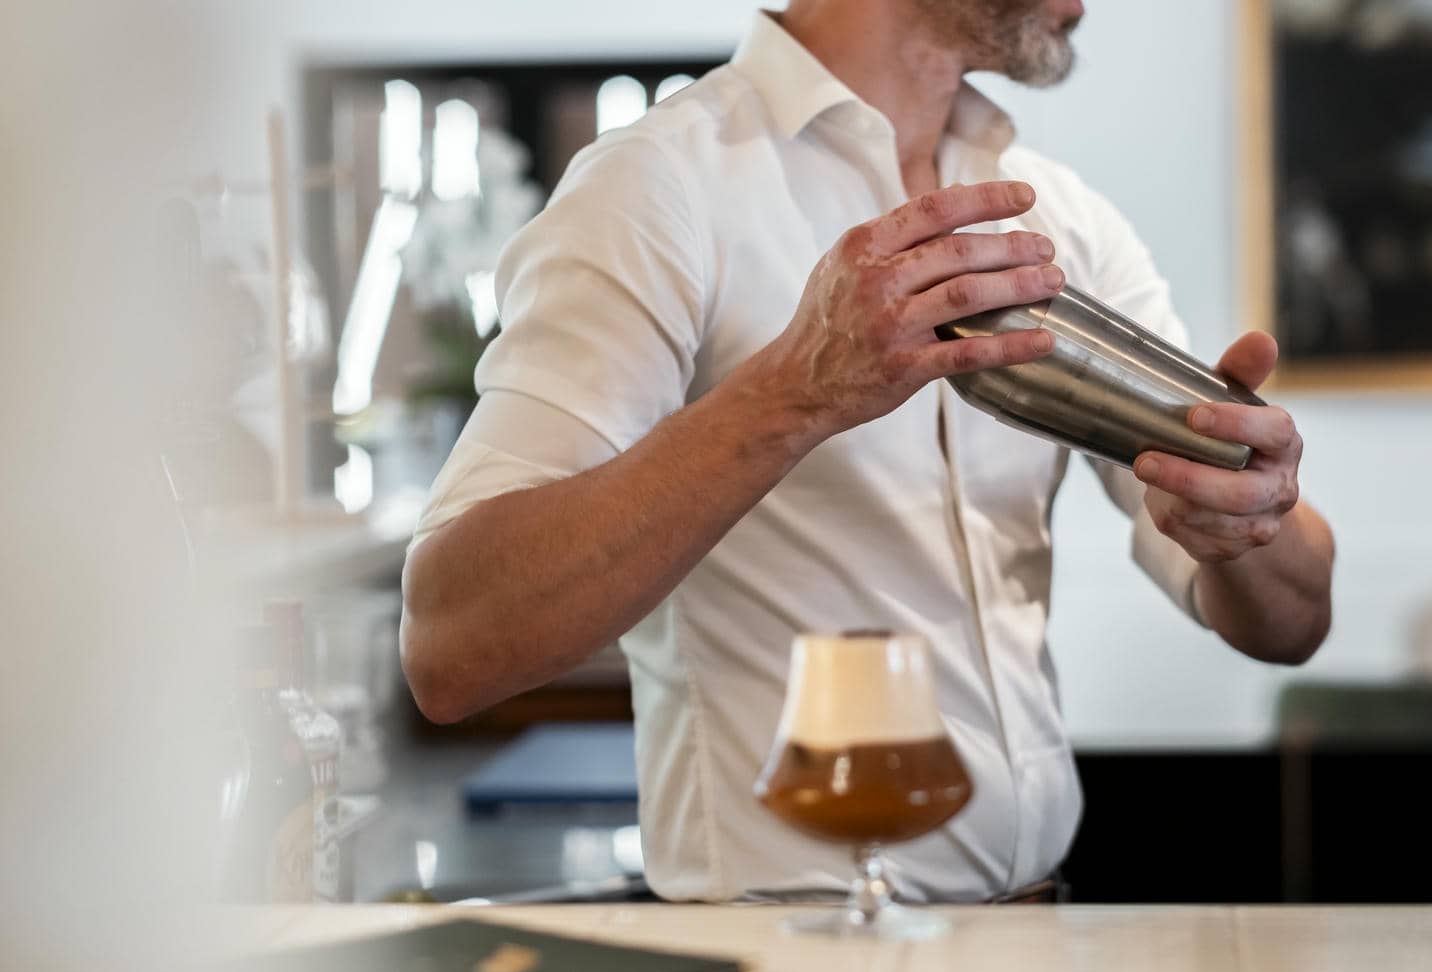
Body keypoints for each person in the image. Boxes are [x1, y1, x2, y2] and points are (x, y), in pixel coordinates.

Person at [400, 0, 1336, 903]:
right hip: (790, 964)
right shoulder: (654, 188)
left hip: (1033, 946)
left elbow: (1294, 623)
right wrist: (794, 394)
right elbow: (451, 646)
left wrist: (1249, 513)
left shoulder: (1065, 218)